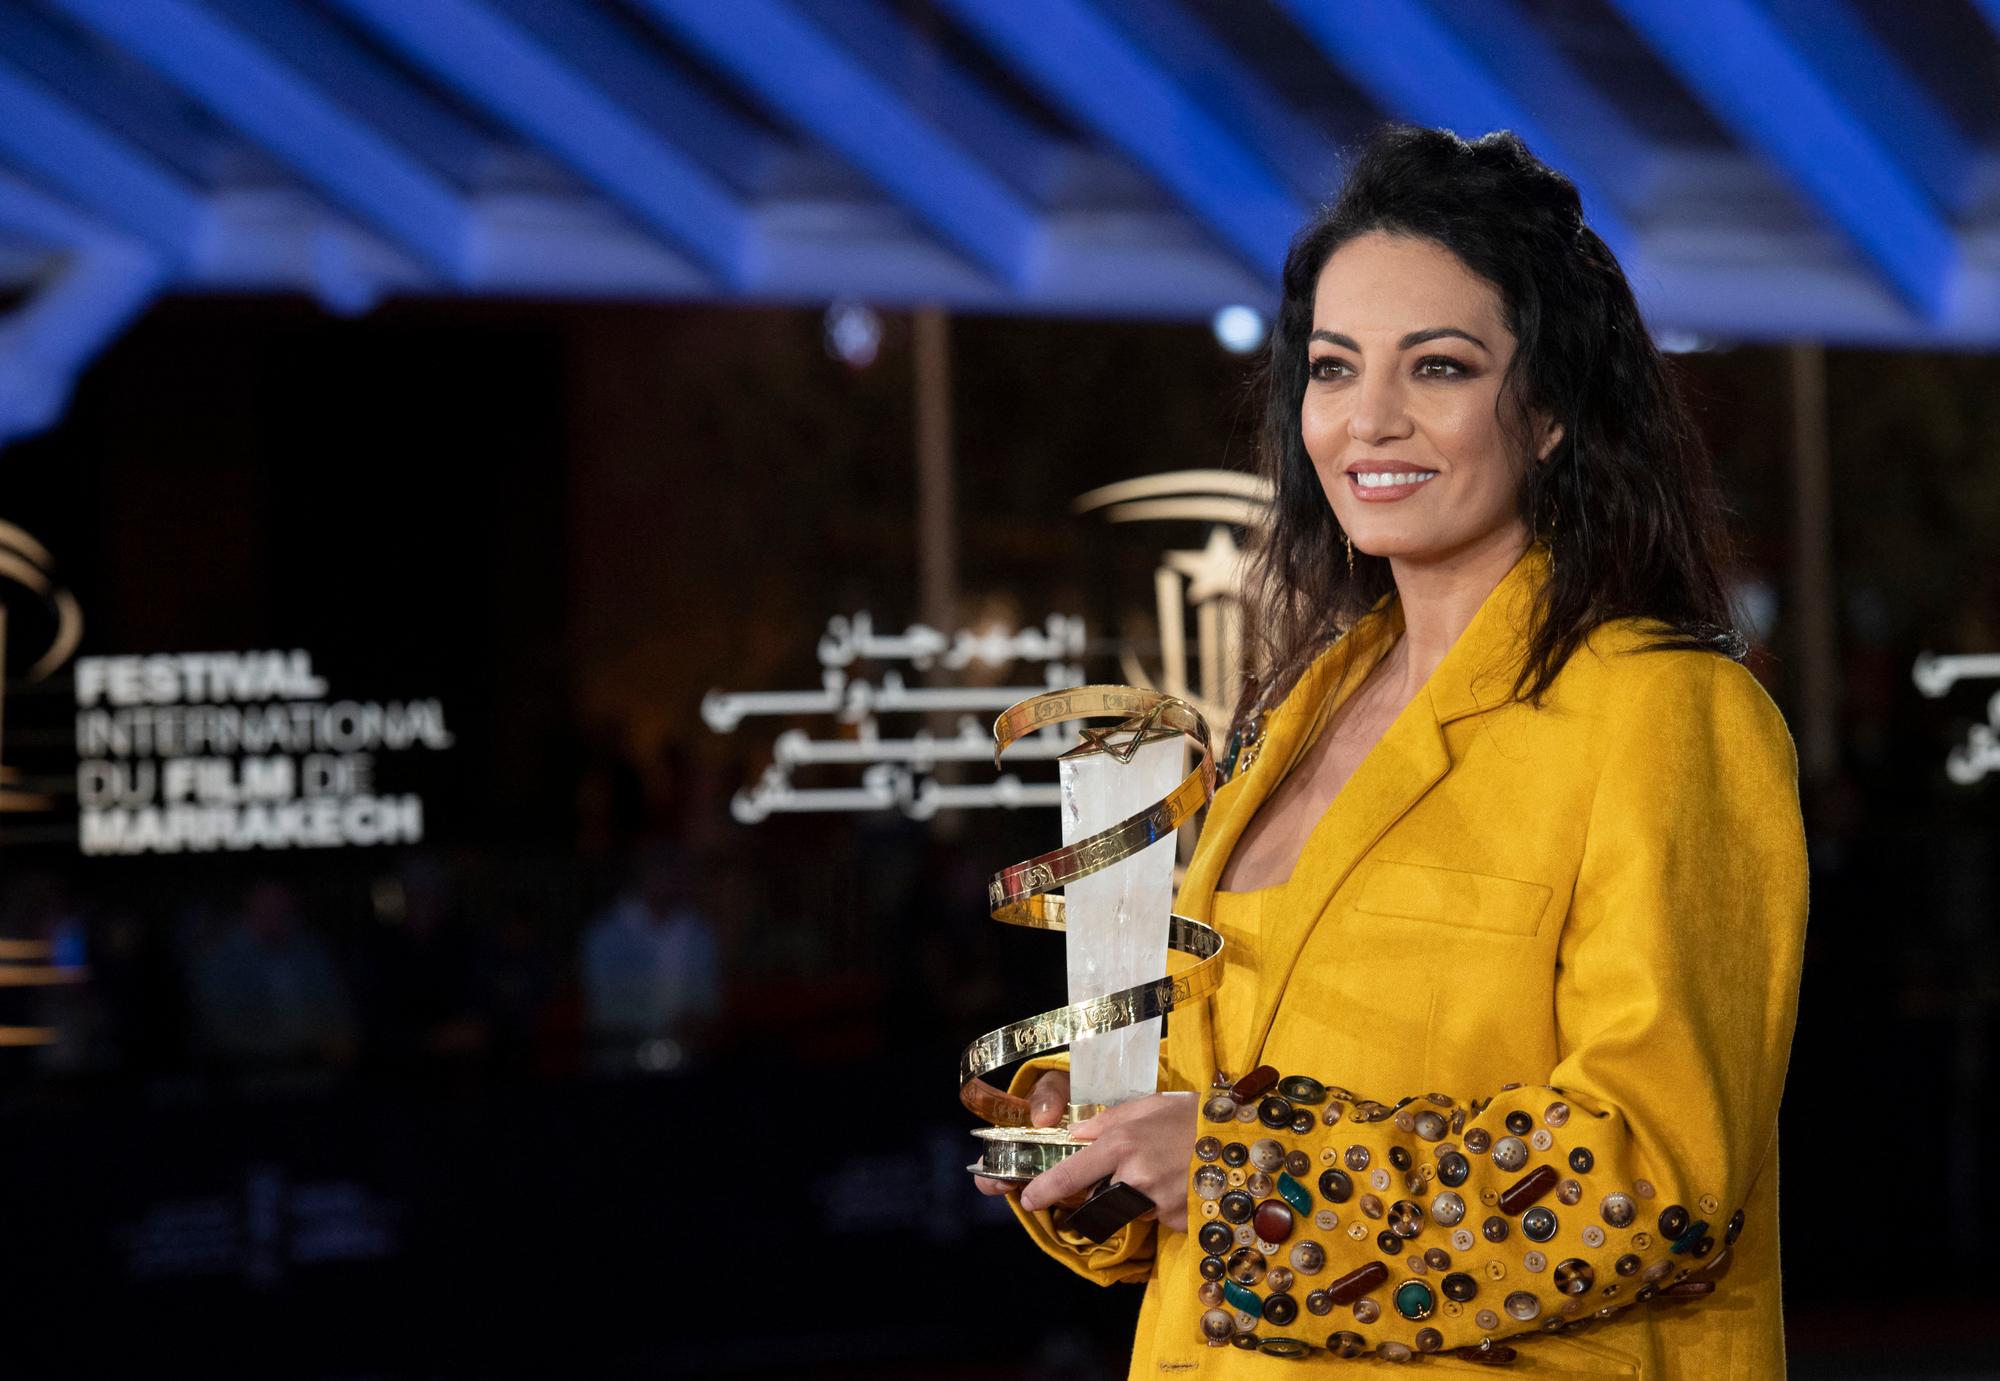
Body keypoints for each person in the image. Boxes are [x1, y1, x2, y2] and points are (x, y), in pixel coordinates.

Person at [974, 124, 1807, 1377]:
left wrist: (1231, 1168)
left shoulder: (1664, 713)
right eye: (1330, 366)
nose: (1367, 419)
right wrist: (1098, 1140)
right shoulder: (1292, 711)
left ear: (1548, 415)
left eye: (1437, 367)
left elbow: (1657, 1172)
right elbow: (1207, 1141)